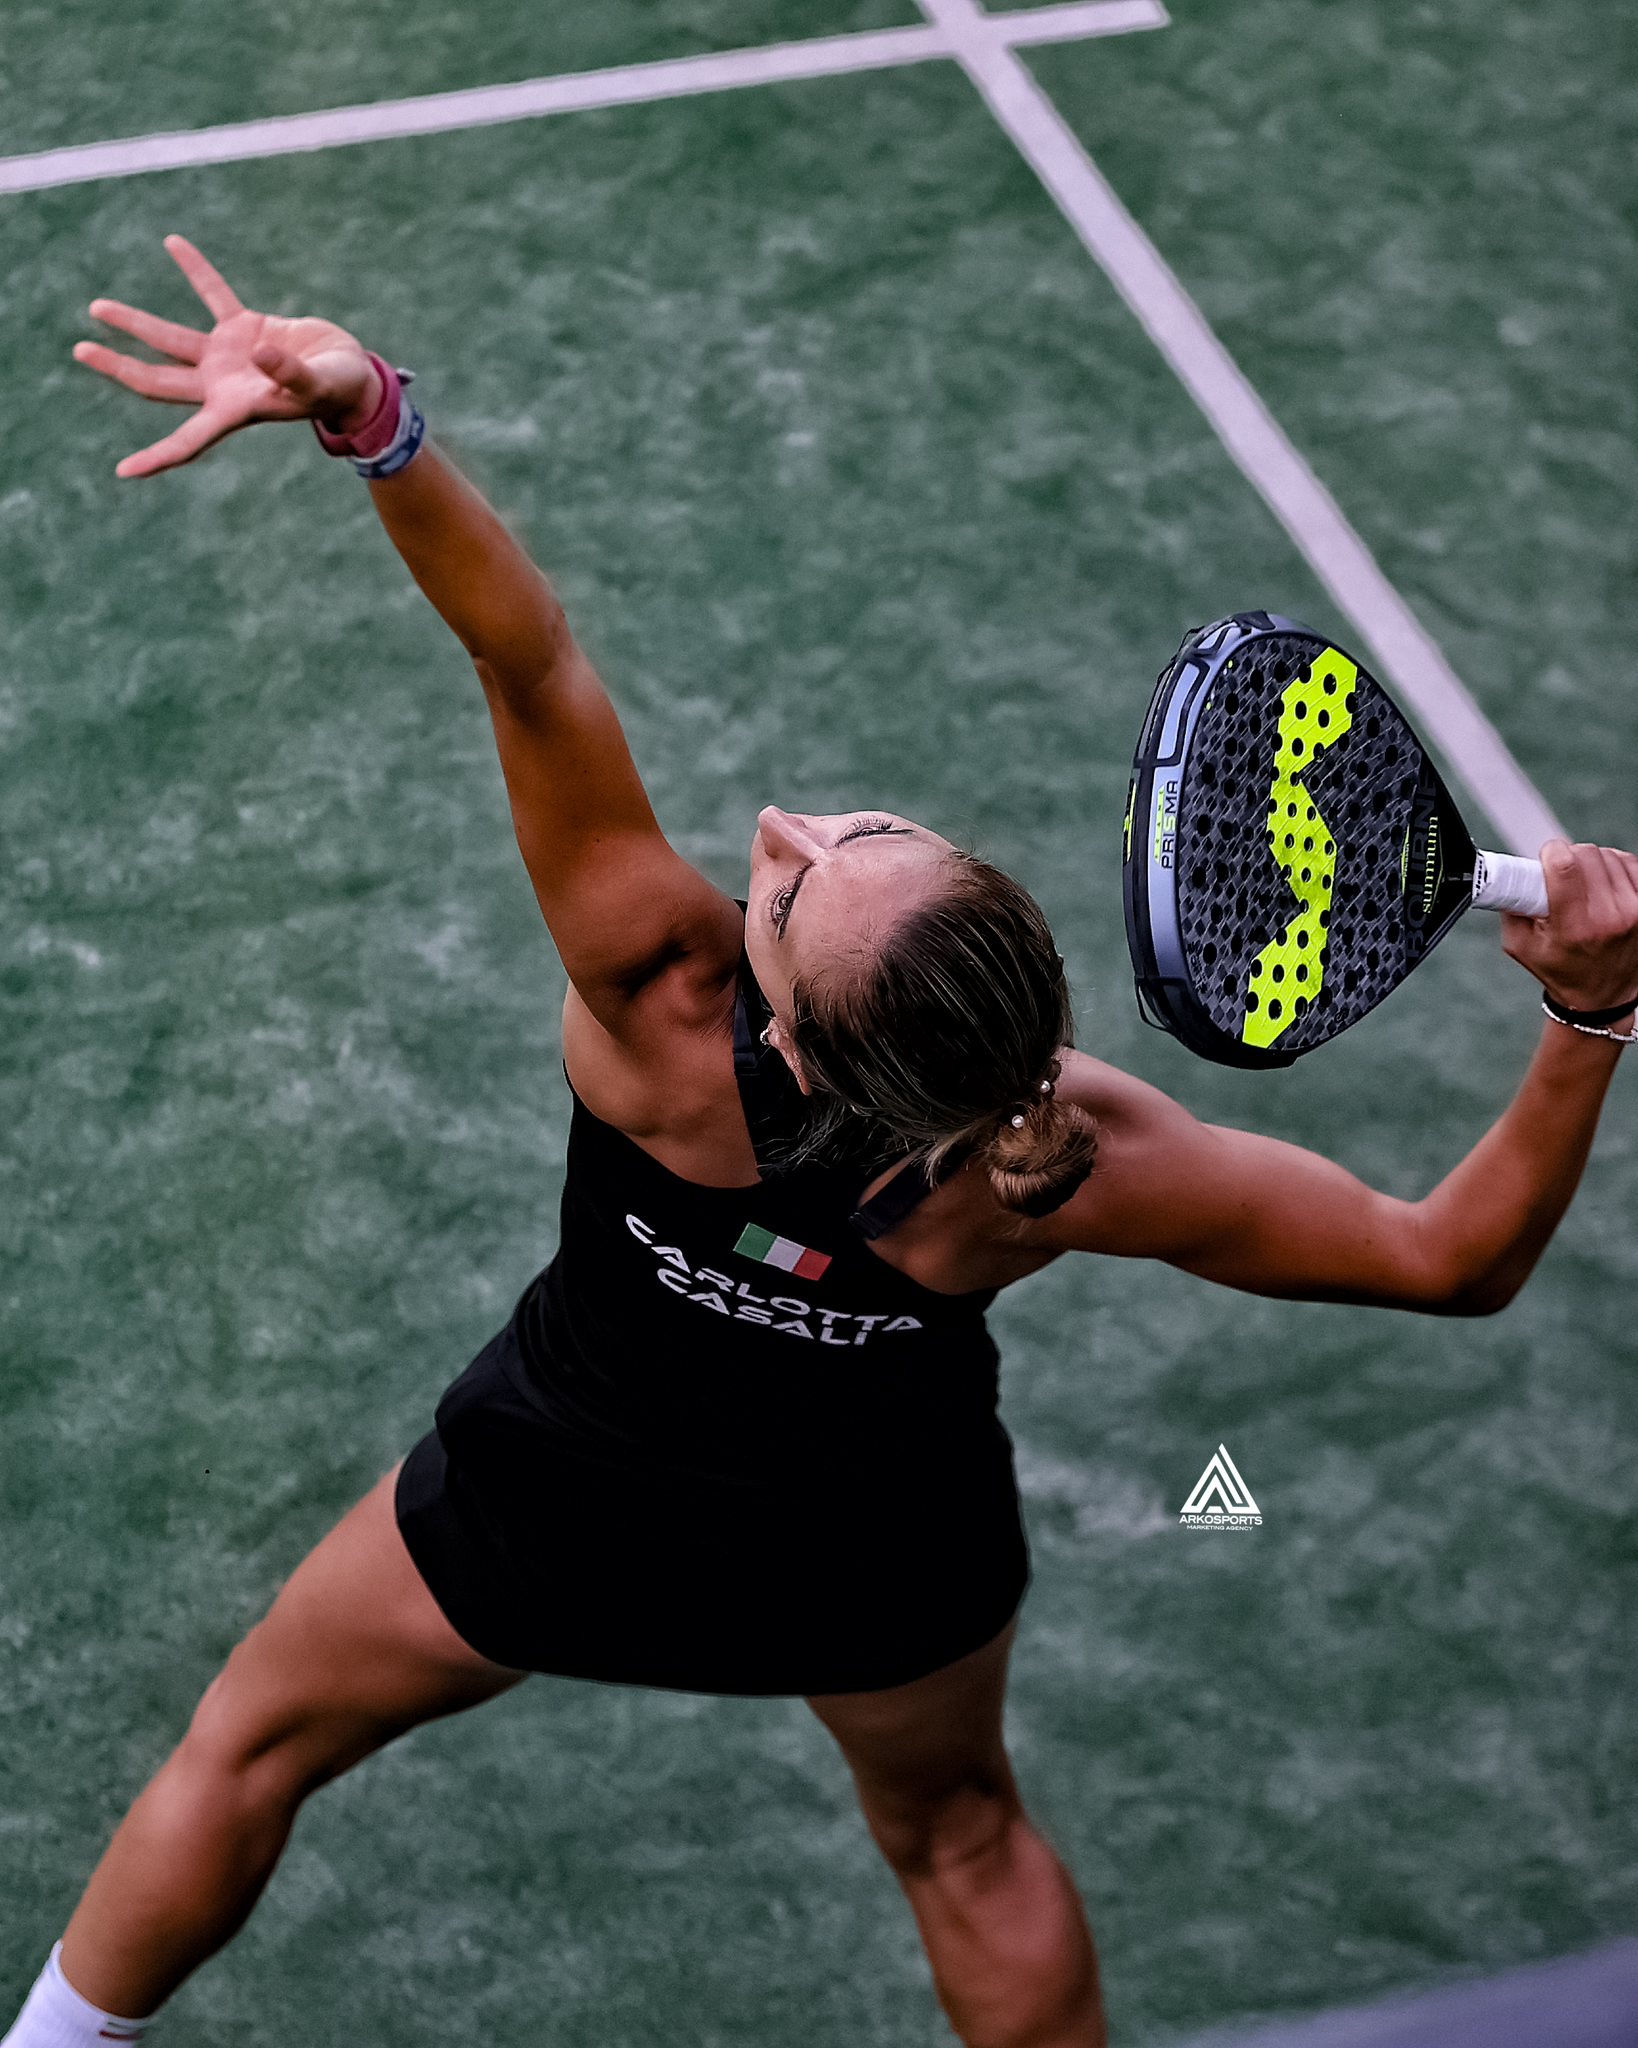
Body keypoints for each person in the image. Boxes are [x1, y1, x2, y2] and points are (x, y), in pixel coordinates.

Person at [7, 235, 1635, 2048]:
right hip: (872, 1551)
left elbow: (526, 657)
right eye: (843, 833)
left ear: (766, 1016)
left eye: (791, 879)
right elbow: (1448, 1262)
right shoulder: (1070, 1150)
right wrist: (1584, 1016)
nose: (776, 825)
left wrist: (374, 418)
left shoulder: (651, 996)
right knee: (956, 1840)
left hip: (563, 1490)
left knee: (248, 1742)